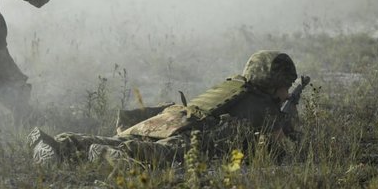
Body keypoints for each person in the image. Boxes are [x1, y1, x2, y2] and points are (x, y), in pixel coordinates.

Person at [29, 50, 308, 166]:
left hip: (171, 116)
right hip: (194, 131)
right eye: (284, 86)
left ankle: (59, 143)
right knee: (162, 154)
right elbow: (282, 152)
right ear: (271, 83)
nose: (286, 92)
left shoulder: (234, 85)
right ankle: (104, 155)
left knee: (123, 139)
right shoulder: (261, 104)